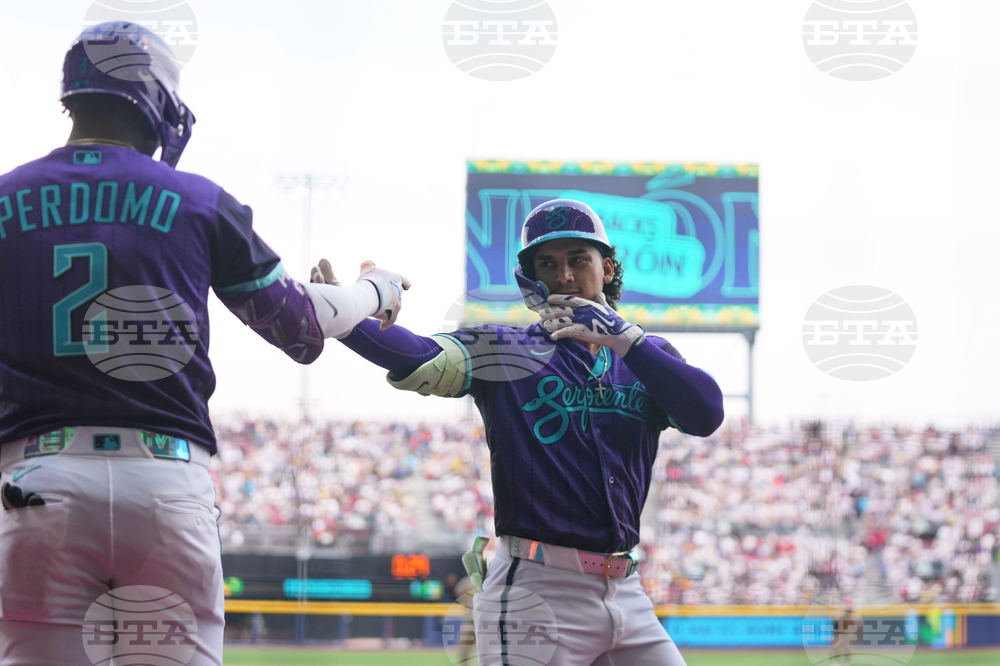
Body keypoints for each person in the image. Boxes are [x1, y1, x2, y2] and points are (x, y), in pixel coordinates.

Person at [0, 23, 408, 666]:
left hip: (36, 478)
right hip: (164, 479)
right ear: (156, 96)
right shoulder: (196, 199)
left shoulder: (7, 196)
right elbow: (302, 324)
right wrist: (374, 290)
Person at [312, 199, 724, 665]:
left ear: (607, 268)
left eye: (578, 259)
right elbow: (418, 355)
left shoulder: (647, 355)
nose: (564, 275)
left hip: (626, 589)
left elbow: (706, 414)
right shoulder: (504, 349)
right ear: (530, 280)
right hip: (537, 591)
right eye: (547, 263)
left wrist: (626, 339)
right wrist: (345, 318)